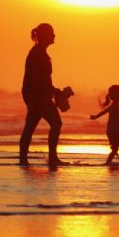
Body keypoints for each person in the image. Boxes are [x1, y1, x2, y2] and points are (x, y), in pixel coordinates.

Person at [19, 23, 68, 166]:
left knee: (30, 126)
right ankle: (52, 158)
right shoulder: (38, 53)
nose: (54, 35)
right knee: (56, 123)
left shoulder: (40, 52)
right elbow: (35, 79)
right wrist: (34, 101)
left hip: (38, 95)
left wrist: (55, 91)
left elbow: (44, 80)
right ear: (44, 35)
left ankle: (23, 159)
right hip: (37, 96)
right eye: (52, 32)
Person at [90, 85, 119, 165]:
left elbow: (103, 112)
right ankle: (108, 163)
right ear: (117, 96)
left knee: (116, 148)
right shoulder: (116, 107)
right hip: (115, 131)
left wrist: (95, 117)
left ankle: (111, 161)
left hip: (111, 131)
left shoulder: (113, 106)